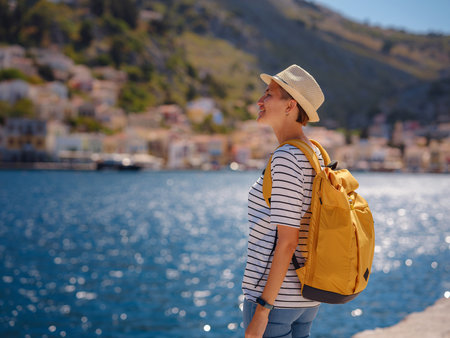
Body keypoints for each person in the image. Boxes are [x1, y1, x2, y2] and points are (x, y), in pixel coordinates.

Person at [242, 64, 325, 338]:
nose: (259, 100)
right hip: (305, 296)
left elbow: (288, 240)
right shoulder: (315, 154)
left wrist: (262, 309)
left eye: (268, 94)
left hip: (276, 301)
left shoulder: (287, 158)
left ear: (290, 106)